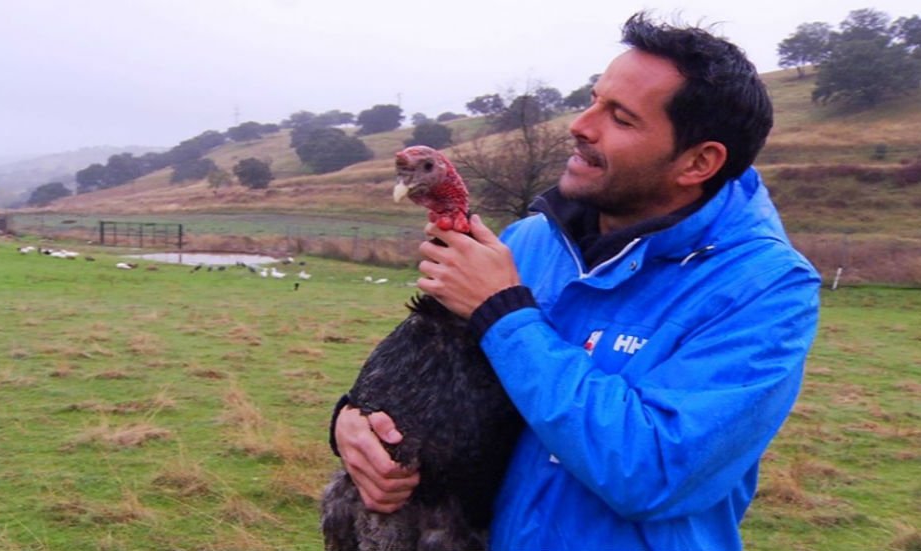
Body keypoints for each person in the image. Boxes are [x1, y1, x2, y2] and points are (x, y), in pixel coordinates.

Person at [332, 12, 820, 551]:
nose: (581, 125)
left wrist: (504, 314)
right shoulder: (528, 242)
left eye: (621, 118)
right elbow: (455, 386)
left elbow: (654, 471)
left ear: (698, 162)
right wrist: (355, 424)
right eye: (593, 99)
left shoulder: (766, 289)